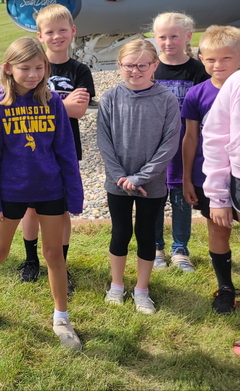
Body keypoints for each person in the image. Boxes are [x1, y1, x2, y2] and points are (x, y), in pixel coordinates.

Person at [0, 37, 84, 351]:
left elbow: (65, 151)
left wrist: (74, 194)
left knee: (54, 254)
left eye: (39, 67)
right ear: (8, 68)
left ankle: (61, 318)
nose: (33, 74)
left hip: (51, 190)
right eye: (25, 68)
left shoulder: (53, 103)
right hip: (11, 191)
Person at [97, 39, 181, 315]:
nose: (135, 71)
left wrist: (141, 177)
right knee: (120, 232)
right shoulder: (110, 98)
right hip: (118, 183)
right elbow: (104, 141)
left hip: (151, 185)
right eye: (129, 65)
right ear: (119, 65)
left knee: (146, 235)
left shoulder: (166, 99)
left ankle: (142, 289)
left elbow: (169, 143)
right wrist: (121, 176)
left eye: (142, 65)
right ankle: (117, 285)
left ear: (154, 65)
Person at [17, 5, 94, 294]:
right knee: (31, 208)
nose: (57, 36)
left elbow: (80, 110)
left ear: (73, 31)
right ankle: (30, 260)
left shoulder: (79, 70)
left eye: (63, 30)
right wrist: (64, 105)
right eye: (50, 32)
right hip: (31, 149)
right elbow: (26, 106)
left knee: (60, 210)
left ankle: (60, 263)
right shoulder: (34, 67)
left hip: (65, 150)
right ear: (40, 35)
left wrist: (48, 106)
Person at [181, 26, 240, 315]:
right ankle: (225, 287)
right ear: (201, 58)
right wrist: (188, 179)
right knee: (218, 230)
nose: (218, 66)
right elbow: (192, 138)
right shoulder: (197, 94)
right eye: (211, 60)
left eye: (226, 59)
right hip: (212, 175)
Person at [151, 12, 209, 271]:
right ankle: (155, 247)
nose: (168, 42)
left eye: (174, 36)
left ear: (187, 36)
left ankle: (180, 249)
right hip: (154, 146)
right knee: (154, 198)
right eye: (162, 37)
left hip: (185, 144)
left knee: (181, 198)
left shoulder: (198, 70)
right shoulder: (150, 66)